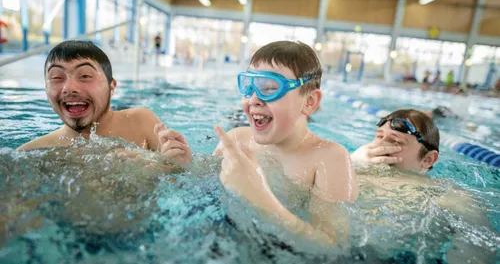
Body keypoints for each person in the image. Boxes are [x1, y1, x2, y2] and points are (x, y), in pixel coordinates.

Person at [156, 41, 358, 243]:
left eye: (269, 88)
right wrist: (184, 165)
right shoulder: (236, 139)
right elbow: (203, 185)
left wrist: (260, 199)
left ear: (309, 102)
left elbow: (333, 247)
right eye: (249, 86)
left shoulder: (328, 158)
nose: (253, 99)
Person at [350, 109, 496, 263]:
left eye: (396, 141)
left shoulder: (448, 196)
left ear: (428, 159)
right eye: (379, 136)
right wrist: (351, 163)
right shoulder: (352, 170)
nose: (379, 144)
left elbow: (476, 251)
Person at [17, 40, 163, 151]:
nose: (69, 88)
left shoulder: (142, 122)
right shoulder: (32, 152)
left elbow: (178, 177)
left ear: (111, 86)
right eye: (57, 78)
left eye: (85, 76)